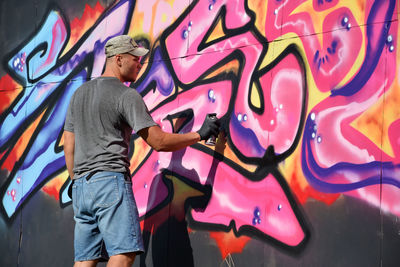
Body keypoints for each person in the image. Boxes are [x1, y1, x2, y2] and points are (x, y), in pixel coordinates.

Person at [63, 35, 219, 267]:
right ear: (118, 59)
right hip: (110, 183)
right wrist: (200, 134)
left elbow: (69, 144)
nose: (140, 63)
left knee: (85, 259)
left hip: (82, 188)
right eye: (135, 58)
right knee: (124, 254)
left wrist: (77, 180)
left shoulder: (79, 95)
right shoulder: (126, 95)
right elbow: (159, 141)